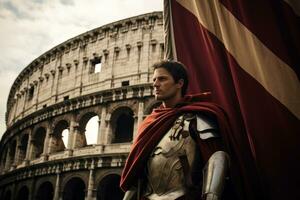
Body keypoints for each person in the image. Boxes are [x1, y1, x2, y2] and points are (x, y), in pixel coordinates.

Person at [120, 60, 232, 200]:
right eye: (154, 79)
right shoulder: (149, 123)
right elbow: (137, 173)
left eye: (162, 79)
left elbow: (217, 158)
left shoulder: (198, 118)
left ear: (179, 83)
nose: (155, 84)